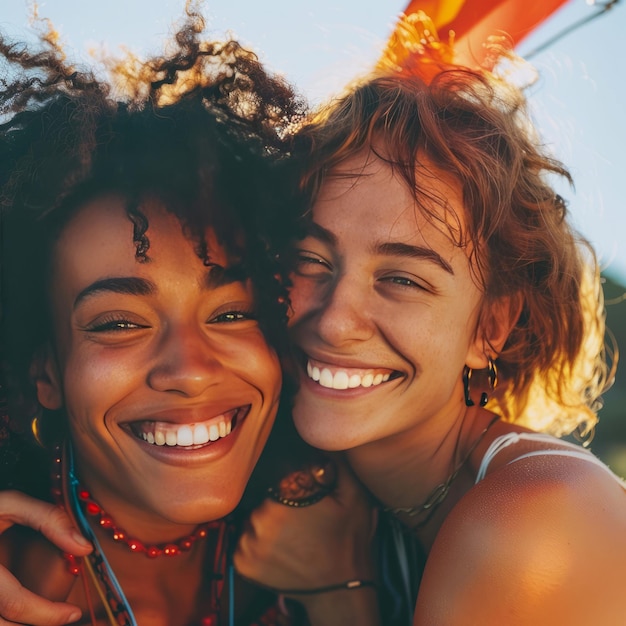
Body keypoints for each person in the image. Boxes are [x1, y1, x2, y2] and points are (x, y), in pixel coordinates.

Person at [233, 16, 626, 626]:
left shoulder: (535, 518)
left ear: (488, 329)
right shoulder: (351, 494)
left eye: (402, 280)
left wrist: (337, 590)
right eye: (311, 260)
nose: (336, 322)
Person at [0, 11, 380, 626]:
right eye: (119, 323)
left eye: (233, 312)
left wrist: (344, 592)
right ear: (44, 371)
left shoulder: (368, 525)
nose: (191, 370)